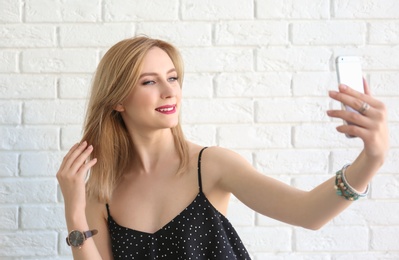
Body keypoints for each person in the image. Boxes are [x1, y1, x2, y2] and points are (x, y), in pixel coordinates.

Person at [56, 36, 389, 260]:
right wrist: (74, 209)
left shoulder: (211, 165)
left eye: (172, 78)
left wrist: (372, 159)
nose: (169, 92)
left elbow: (308, 212)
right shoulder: (102, 191)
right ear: (116, 100)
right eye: (149, 82)